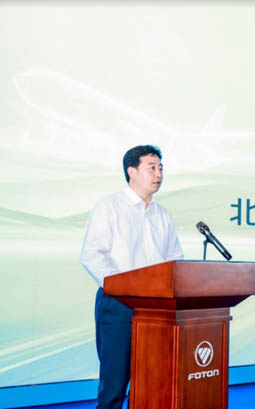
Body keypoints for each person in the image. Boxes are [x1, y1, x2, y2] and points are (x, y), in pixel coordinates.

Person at [80, 145, 184, 409]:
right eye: (152, 167)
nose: (158, 174)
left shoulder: (163, 215)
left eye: (161, 168)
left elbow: (174, 259)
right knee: (114, 384)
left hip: (157, 308)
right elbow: (92, 255)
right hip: (118, 305)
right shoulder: (110, 207)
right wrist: (124, 288)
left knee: (152, 380)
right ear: (132, 172)